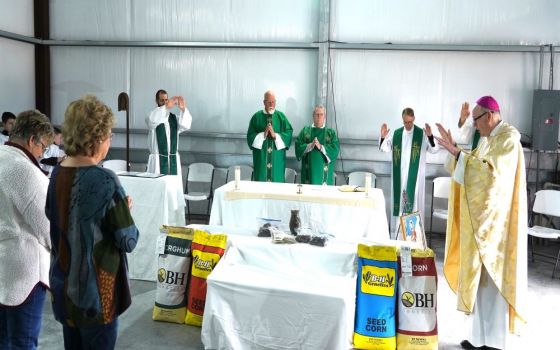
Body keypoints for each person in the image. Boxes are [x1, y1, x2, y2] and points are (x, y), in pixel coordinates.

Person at [46, 95, 140, 349]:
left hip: (64, 288)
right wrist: (124, 210)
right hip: (97, 295)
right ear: (97, 137)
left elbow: (52, 216)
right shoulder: (106, 180)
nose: (110, 141)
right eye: (110, 135)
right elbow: (128, 239)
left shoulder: (57, 174)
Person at [435, 96, 527, 350]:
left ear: (489, 116)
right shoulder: (489, 141)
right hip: (483, 224)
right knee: (480, 282)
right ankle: (478, 339)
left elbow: (491, 175)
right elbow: (472, 164)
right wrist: (455, 149)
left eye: (475, 120)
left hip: (499, 228)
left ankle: (495, 343)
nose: (474, 126)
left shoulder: (508, 138)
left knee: (494, 283)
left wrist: (459, 155)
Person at [0, 110, 54, 349]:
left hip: (3, 269)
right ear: (32, 139)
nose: (42, 154)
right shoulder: (25, 170)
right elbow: (49, 227)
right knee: (23, 342)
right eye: (43, 147)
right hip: (24, 274)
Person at [379, 107, 438, 235]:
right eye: (405, 122)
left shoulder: (421, 134)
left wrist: (430, 136)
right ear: (402, 120)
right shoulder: (397, 133)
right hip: (399, 179)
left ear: (414, 119)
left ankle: (412, 237)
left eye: (410, 122)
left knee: (413, 205)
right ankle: (398, 237)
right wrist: (383, 137)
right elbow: (385, 148)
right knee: (399, 206)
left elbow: (434, 150)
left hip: (414, 180)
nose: (408, 125)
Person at [247, 90, 293, 182]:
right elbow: (250, 136)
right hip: (261, 158)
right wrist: (262, 135)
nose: (271, 104)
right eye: (269, 102)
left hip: (277, 159)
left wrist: (275, 135)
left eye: (273, 101)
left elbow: (289, 133)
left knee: (277, 186)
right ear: (264, 102)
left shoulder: (281, 117)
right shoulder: (256, 117)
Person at [146, 89, 192, 178]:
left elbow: (186, 125)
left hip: (172, 160)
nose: (164, 102)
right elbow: (152, 120)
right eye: (162, 100)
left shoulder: (174, 118)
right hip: (158, 162)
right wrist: (166, 107)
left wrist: (183, 109)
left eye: (166, 100)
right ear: (156, 101)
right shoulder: (152, 115)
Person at [295, 105, 339, 185]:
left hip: (325, 178)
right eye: (317, 114)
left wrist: (321, 147)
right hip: (308, 176)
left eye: (321, 114)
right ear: (313, 116)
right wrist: (309, 146)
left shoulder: (330, 133)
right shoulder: (305, 131)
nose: (319, 117)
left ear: (325, 117)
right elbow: (298, 147)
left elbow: (335, 150)